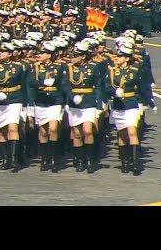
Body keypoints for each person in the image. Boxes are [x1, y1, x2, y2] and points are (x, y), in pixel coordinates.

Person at [105, 38, 155, 175]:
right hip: (118, 105)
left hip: (131, 104)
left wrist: (150, 102)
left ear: (126, 59)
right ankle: (125, 162)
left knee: (132, 131)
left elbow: (142, 88)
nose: (118, 57)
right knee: (122, 134)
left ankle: (135, 163)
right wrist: (114, 92)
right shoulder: (112, 71)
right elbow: (106, 87)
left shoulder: (134, 70)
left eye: (121, 56)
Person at [0, 42, 28, 172]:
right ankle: (6, 158)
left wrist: (25, 104)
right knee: (2, 129)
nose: (0, 54)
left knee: (13, 127)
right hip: (0, 101)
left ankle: (14, 159)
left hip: (14, 99)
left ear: (10, 54)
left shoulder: (18, 67)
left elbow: (24, 85)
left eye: (3, 52)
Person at [62, 41, 102, 173]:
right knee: (77, 133)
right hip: (75, 104)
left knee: (88, 130)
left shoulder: (94, 67)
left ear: (83, 56)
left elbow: (98, 86)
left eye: (76, 55)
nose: (73, 57)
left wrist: (99, 104)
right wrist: (71, 96)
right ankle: (80, 160)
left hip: (89, 102)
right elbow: (65, 85)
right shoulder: (69, 68)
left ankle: (90, 160)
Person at [29, 41, 66, 173]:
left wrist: (65, 101)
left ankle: (53, 159)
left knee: (53, 129)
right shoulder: (35, 67)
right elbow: (31, 81)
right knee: (43, 131)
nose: (40, 55)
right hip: (41, 100)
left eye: (43, 53)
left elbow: (63, 84)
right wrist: (42, 83)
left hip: (55, 100)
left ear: (49, 55)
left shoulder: (60, 66)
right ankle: (44, 159)